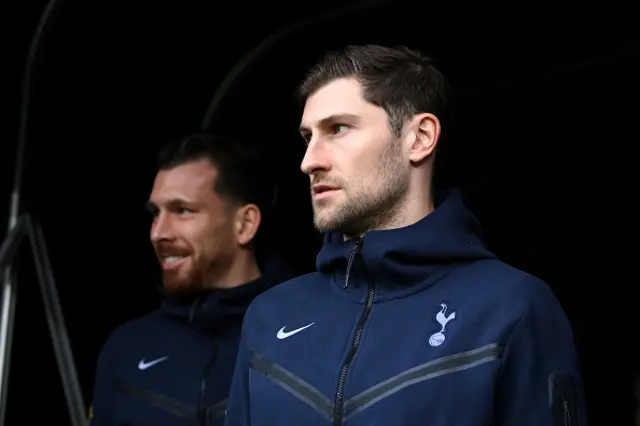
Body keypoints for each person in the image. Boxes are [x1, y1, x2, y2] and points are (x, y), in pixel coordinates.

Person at [224, 44, 587, 426]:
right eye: (307, 137)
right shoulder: (269, 317)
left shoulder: (511, 308)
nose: (309, 161)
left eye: (338, 129)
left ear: (419, 138)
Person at [89, 132, 292, 426]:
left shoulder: (308, 335)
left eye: (182, 211)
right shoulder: (125, 349)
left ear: (245, 224)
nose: (158, 233)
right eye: (155, 213)